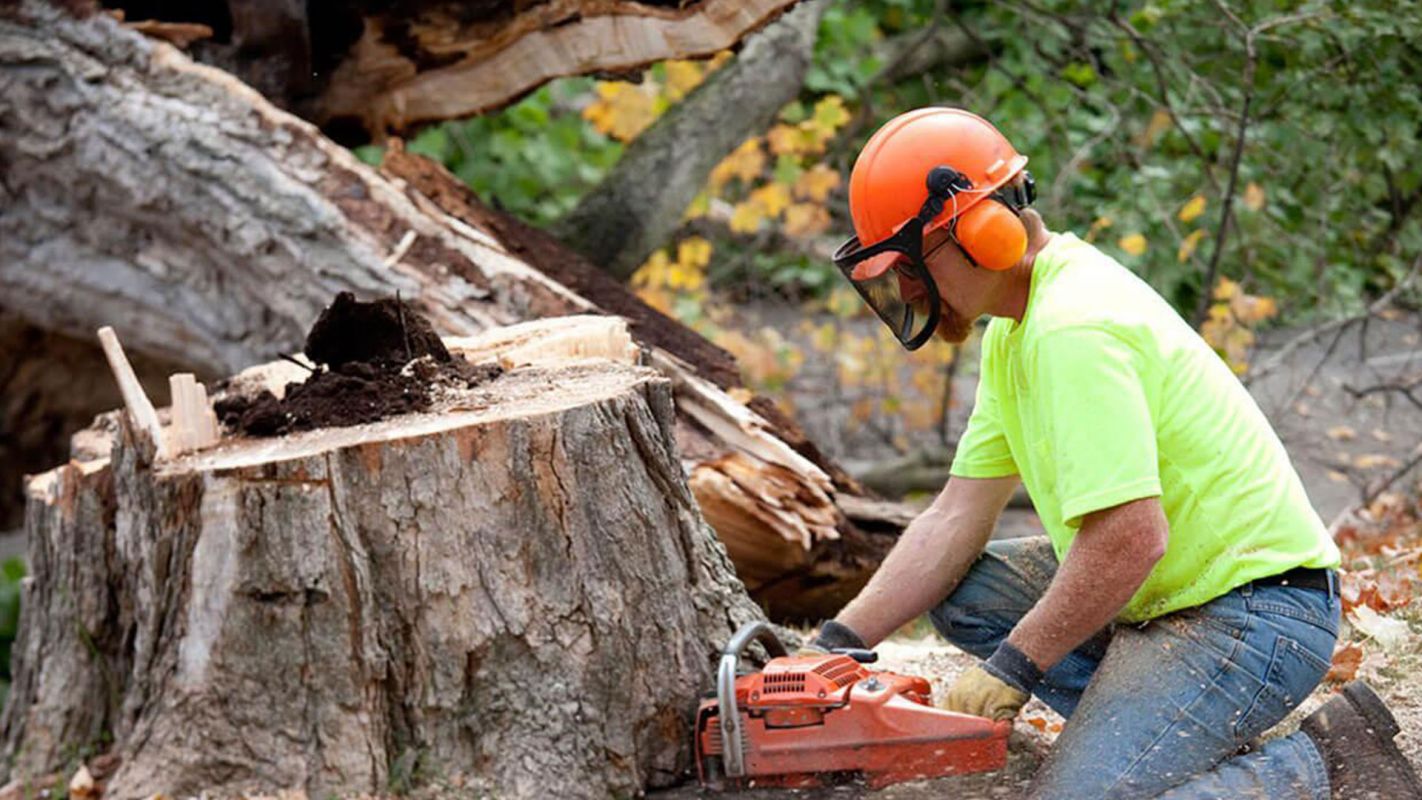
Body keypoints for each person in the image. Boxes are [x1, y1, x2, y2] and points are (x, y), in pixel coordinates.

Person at [812, 107, 1422, 799]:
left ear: (981, 233)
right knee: (971, 592)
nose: (912, 292)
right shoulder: (1014, 331)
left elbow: (1130, 539)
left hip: (1257, 613)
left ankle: (1327, 764)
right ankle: (1167, 734)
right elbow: (955, 515)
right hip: (1170, 598)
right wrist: (835, 641)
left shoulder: (1072, 328)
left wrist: (1014, 667)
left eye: (913, 268)